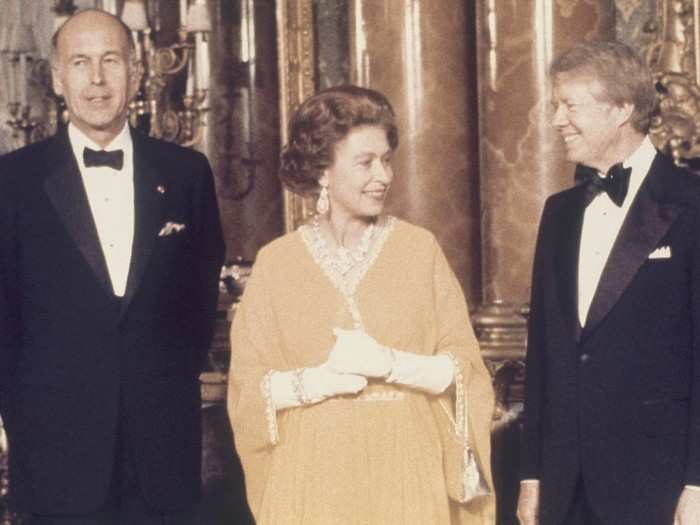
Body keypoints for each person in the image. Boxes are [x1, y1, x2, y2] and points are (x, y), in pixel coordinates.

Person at [227, 85, 495, 524]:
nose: (384, 176)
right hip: (314, 477)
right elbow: (248, 393)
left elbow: (464, 370)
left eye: (387, 159)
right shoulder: (276, 264)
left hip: (407, 469)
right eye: (365, 162)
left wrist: (390, 364)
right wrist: (318, 382)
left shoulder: (419, 249)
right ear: (323, 172)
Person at [0, 9, 224, 524]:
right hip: (55, 464)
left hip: (164, 462)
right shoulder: (11, 184)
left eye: (110, 61)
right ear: (58, 78)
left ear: (137, 70)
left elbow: (196, 310)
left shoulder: (187, 175)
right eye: (80, 63)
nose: (97, 79)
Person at [517, 40, 700, 525]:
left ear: (621, 110)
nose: (557, 119)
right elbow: (544, 355)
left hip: (658, 488)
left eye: (570, 105)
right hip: (564, 487)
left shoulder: (693, 204)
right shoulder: (558, 215)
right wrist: (531, 475)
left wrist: (699, 484)